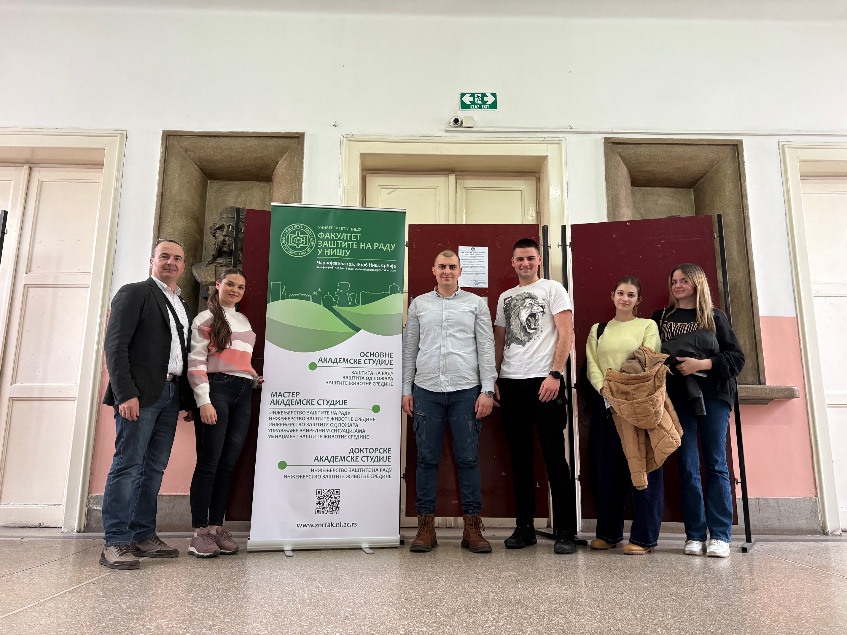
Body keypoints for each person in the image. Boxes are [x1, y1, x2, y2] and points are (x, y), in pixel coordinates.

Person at [100, 239, 194, 570]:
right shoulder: (135, 292)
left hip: (170, 393)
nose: (171, 262)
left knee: (153, 468)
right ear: (151, 261)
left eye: (177, 258)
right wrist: (125, 393)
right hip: (139, 395)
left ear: (183, 265)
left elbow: (180, 353)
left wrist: (187, 398)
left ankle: (143, 535)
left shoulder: (181, 303)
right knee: (128, 465)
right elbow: (115, 345)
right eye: (164, 256)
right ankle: (115, 541)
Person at [402, 250, 497, 554]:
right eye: (442, 266)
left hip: (466, 390)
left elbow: (486, 347)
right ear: (433, 270)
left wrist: (487, 390)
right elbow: (409, 349)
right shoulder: (419, 305)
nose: (447, 271)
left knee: (468, 459)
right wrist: (406, 389)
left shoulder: (475, 304)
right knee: (426, 459)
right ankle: (425, 529)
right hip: (426, 390)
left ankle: (472, 529)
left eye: (452, 266)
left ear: (460, 270)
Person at [651, 263, 745, 558]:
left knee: (716, 462)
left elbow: (736, 358)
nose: (677, 285)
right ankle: (694, 533)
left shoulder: (714, 317)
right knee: (686, 464)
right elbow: (652, 355)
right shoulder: (660, 318)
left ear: (697, 283)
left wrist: (700, 365)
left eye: (684, 280)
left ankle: (720, 535)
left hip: (714, 395)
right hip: (677, 397)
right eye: (674, 281)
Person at [494, 238, 576, 554]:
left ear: (539, 259)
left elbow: (566, 332)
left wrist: (555, 373)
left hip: (545, 383)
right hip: (511, 383)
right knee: (519, 459)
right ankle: (524, 528)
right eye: (520, 259)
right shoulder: (505, 298)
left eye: (530, 258)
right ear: (513, 262)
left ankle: (565, 531)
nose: (525, 263)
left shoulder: (553, 289)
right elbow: (500, 340)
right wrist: (494, 378)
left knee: (554, 458)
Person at [585, 276, 665, 555]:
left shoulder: (647, 326)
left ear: (638, 300)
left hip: (637, 404)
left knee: (643, 469)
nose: (625, 298)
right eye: (620, 293)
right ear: (613, 296)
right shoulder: (599, 329)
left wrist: (624, 393)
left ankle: (643, 538)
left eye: (631, 295)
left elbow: (648, 360)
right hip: (606, 405)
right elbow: (592, 364)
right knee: (607, 470)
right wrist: (605, 391)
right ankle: (608, 534)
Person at [186, 268, 262, 558]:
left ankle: (216, 528)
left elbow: (241, 361)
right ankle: (199, 534)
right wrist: (203, 401)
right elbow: (196, 363)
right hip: (216, 390)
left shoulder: (243, 320)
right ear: (217, 285)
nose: (235, 290)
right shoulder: (204, 319)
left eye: (240, 287)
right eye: (230, 284)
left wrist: (253, 378)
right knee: (209, 462)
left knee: (228, 464)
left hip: (243, 393)